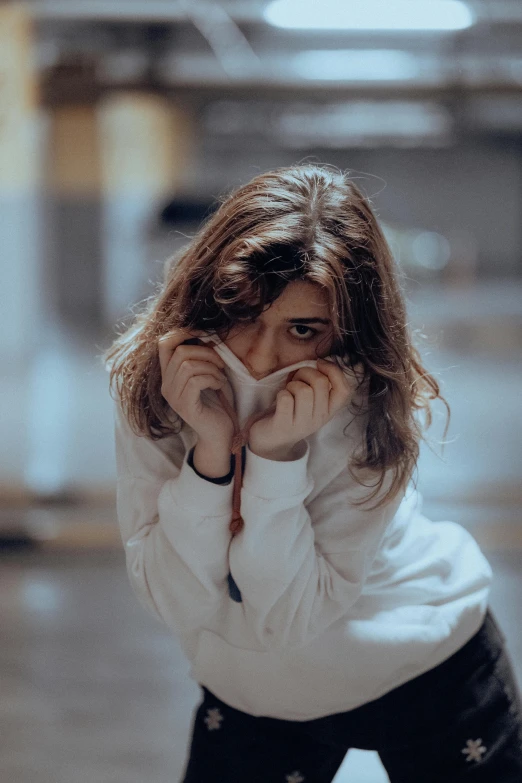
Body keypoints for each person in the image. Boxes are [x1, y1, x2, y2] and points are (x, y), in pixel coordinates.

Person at [103, 164, 522, 782]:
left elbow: (289, 616)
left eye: (303, 330)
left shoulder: (370, 397)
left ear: (347, 328)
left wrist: (275, 458)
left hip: (426, 661)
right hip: (251, 689)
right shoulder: (159, 380)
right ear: (207, 295)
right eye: (241, 314)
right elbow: (175, 598)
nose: (259, 357)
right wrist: (210, 457)